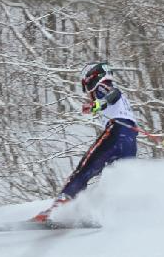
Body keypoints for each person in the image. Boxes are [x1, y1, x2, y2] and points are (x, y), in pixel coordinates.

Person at [32, 62, 137, 222]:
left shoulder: (103, 86)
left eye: (86, 83)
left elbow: (112, 94)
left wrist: (98, 104)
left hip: (116, 133)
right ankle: (107, 213)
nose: (88, 90)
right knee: (117, 178)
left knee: (85, 168)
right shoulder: (121, 97)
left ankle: (58, 208)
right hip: (130, 140)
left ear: (93, 77)